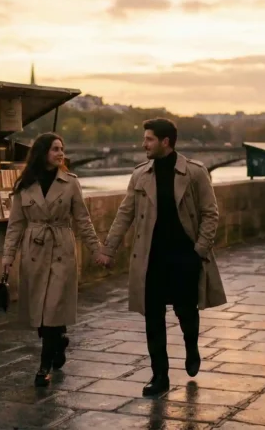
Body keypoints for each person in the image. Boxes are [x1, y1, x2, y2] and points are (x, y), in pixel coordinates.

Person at [96, 118, 227, 396]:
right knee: (152, 318)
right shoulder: (140, 175)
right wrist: (108, 248)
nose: (143, 144)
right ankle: (160, 376)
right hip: (151, 258)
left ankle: (191, 346)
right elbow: (125, 214)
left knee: (185, 313)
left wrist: (199, 250)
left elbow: (210, 213)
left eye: (149, 139)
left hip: (183, 256)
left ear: (165, 142)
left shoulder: (194, 173)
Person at [2, 133, 101, 387]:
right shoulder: (24, 185)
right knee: (41, 312)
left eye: (62, 148)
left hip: (61, 248)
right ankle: (60, 340)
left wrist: (96, 250)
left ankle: (43, 366)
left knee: (52, 308)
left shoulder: (70, 183)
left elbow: (83, 220)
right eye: (55, 149)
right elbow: (15, 225)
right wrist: (8, 257)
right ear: (42, 152)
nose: (61, 153)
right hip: (34, 250)